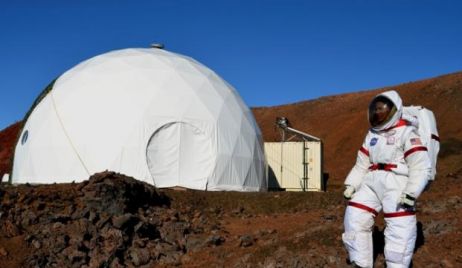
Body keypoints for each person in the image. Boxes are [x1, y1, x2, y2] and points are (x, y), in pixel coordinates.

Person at [342, 90, 431, 268]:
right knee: (354, 216)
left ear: (394, 110)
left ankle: (397, 265)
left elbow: (420, 165)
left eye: (382, 110)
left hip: (397, 181)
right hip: (371, 180)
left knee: (399, 226)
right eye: (375, 110)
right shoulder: (372, 135)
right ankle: (360, 262)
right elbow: (362, 164)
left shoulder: (407, 133)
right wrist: (351, 184)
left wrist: (411, 193)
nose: (378, 113)